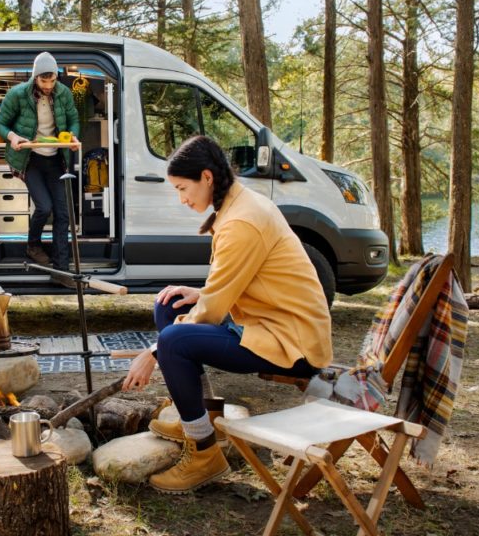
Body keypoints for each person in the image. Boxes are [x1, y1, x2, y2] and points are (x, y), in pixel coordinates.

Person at [122, 135, 333, 494]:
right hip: (263, 322)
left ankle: (204, 452)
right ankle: (202, 419)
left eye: (182, 188)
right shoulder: (237, 206)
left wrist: (152, 353)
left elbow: (213, 310)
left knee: (172, 341)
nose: (182, 198)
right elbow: (236, 289)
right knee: (169, 304)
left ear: (206, 177)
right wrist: (201, 294)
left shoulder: (242, 221)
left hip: (291, 342)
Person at [0, 52, 81, 278]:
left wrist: (73, 136)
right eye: (44, 81)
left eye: (53, 81)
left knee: (63, 212)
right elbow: (0, 124)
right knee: (44, 207)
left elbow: (73, 119)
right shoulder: (17, 94)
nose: (49, 86)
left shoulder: (63, 93)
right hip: (30, 158)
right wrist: (13, 137)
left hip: (55, 158)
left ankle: (62, 269)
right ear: (35, 78)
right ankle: (33, 245)